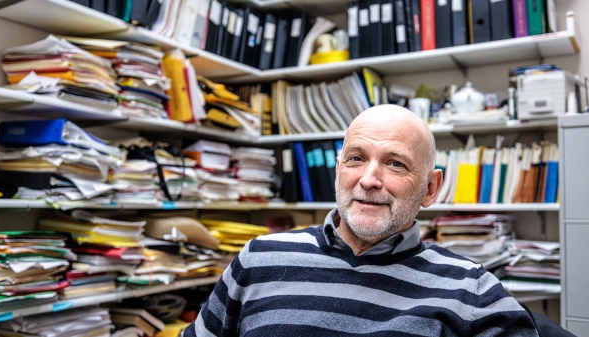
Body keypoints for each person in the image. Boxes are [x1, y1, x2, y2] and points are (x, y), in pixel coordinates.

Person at [184, 105, 539, 336]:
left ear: (430, 189)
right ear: (338, 172)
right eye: (356, 158)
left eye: (395, 163)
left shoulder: (471, 290)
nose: (369, 179)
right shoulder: (258, 260)